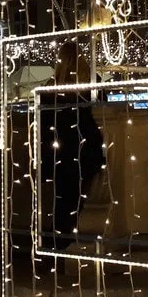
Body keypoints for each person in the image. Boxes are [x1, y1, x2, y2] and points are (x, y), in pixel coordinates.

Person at [39, 43, 105, 267]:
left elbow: (44, 124)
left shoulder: (51, 86)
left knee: (61, 200)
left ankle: (54, 248)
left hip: (59, 151)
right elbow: (101, 113)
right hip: (84, 148)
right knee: (80, 200)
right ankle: (68, 247)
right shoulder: (91, 81)